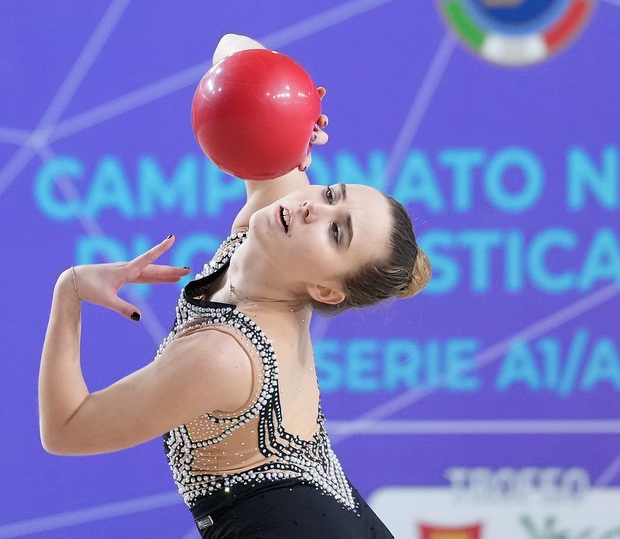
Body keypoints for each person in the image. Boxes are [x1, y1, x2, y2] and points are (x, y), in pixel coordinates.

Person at [38, 34, 430, 538]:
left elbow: (68, 429)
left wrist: (69, 293)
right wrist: (299, 109)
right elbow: (235, 50)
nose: (314, 208)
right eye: (333, 194)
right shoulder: (274, 218)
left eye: (337, 233)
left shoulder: (224, 356)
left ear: (325, 290)